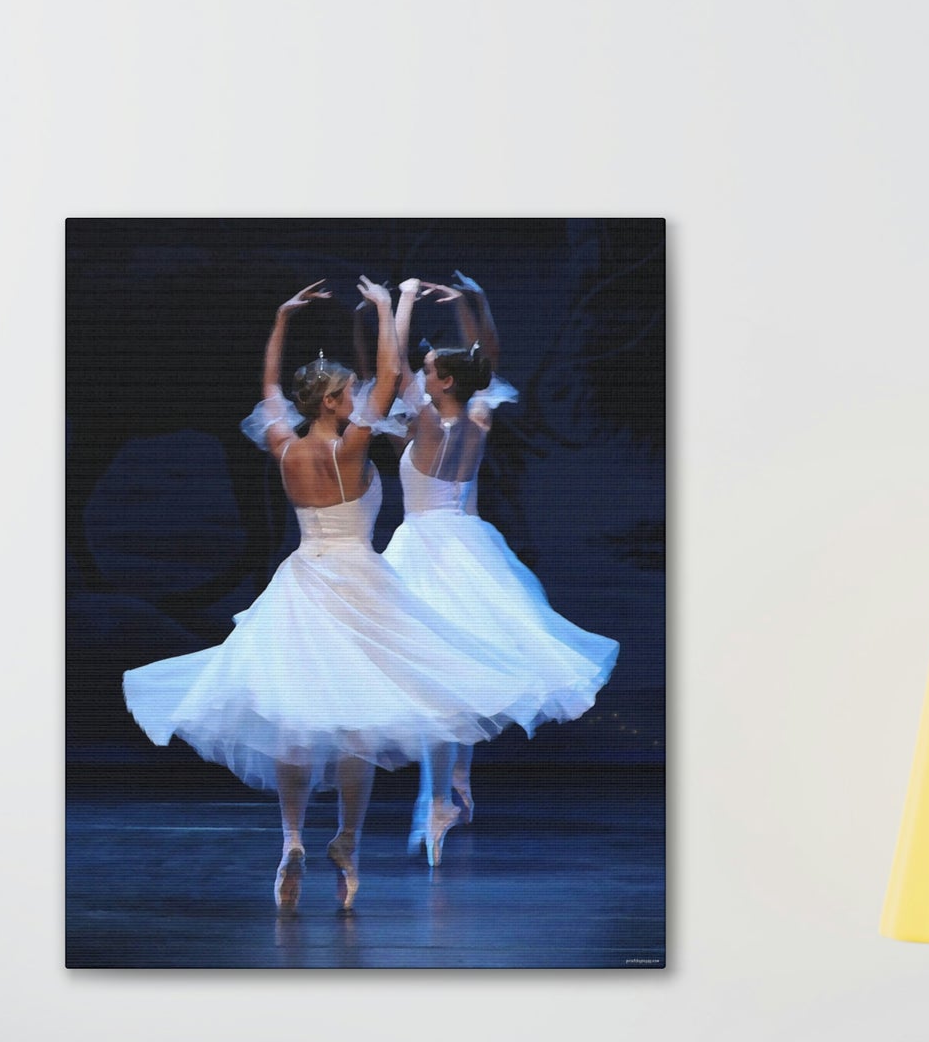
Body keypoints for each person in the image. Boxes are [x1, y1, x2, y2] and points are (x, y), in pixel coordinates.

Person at [123, 279, 549, 912]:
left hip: (301, 584)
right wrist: (385, 306)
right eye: (346, 394)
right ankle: (347, 842)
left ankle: (292, 838)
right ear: (330, 400)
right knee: (360, 727)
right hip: (359, 586)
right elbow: (388, 374)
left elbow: (270, 390)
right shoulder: (353, 448)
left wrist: (280, 318)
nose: (358, 399)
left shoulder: (285, 446)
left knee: (295, 723)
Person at [382, 273, 621, 866]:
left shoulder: (432, 424)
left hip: (430, 552)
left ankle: (439, 799)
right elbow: (485, 358)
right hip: (469, 547)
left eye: (429, 369)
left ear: (442, 383)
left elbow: (394, 363)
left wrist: (402, 303)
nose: (420, 371)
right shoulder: (479, 415)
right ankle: (457, 778)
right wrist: (472, 302)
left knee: (438, 679)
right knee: (457, 670)